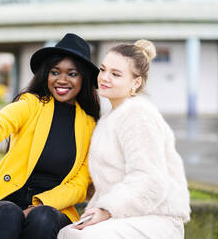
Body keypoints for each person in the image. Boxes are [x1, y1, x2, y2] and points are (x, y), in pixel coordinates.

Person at [0, 33, 100, 239]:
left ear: (84, 78)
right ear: (46, 75)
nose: (62, 80)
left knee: (42, 218)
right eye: (55, 72)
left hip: (53, 209)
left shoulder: (90, 126)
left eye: (72, 74)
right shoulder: (31, 104)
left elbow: (79, 186)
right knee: (8, 213)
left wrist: (38, 204)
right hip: (7, 202)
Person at [58, 40, 191, 239]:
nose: (104, 78)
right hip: (128, 216)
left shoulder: (137, 113)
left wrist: (105, 210)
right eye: (103, 70)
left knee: (78, 236)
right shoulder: (111, 117)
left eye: (116, 74)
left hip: (158, 218)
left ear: (135, 83)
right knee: (67, 232)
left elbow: (150, 180)